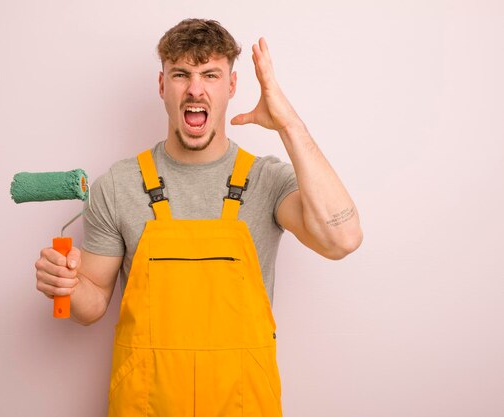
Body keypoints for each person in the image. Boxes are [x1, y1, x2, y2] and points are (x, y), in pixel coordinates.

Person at [35, 18, 362, 416]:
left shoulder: (267, 180)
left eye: (210, 74)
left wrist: (290, 124)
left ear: (232, 86)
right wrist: (66, 286)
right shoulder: (118, 185)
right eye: (181, 74)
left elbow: (342, 238)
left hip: (243, 403)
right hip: (146, 405)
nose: (195, 88)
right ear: (162, 86)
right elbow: (93, 304)